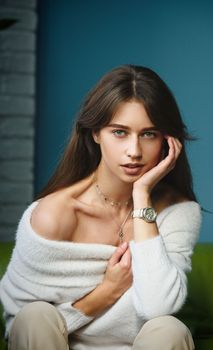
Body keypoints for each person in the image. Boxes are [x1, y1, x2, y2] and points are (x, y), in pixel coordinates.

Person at [0, 64, 202, 350]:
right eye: (120, 132)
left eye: (149, 134)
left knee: (169, 329)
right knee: (34, 316)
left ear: (168, 142)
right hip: (60, 343)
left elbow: (158, 307)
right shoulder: (54, 214)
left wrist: (142, 195)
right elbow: (21, 327)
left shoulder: (178, 212)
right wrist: (107, 291)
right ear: (95, 133)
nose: (134, 151)